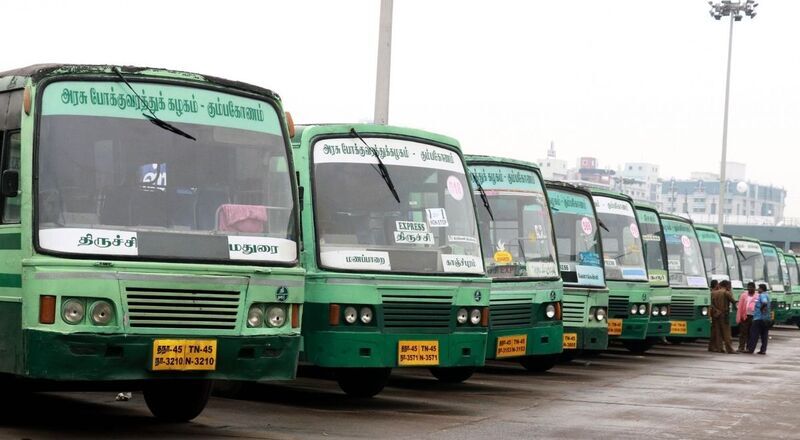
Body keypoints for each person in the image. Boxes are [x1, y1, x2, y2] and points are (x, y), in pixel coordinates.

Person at [709, 280, 737, 353]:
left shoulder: (713, 293)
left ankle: (719, 348)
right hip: (724, 314)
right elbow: (734, 302)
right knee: (726, 332)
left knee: (718, 332)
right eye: (730, 286)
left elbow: (711, 304)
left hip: (716, 314)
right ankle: (729, 349)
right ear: (727, 285)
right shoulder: (726, 293)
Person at [746, 284, 771, 354]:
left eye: (759, 288)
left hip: (759, 318)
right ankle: (763, 350)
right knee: (764, 335)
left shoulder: (762, 295)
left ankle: (750, 349)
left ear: (761, 289)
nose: (758, 290)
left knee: (754, 334)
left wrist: (761, 308)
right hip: (766, 319)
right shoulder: (768, 295)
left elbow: (764, 302)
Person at [736, 282, 757, 352]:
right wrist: (739, 316)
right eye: (748, 287)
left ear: (754, 288)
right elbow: (740, 307)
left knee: (751, 333)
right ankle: (741, 347)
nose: (749, 289)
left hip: (753, 317)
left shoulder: (757, 296)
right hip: (744, 316)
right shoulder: (743, 296)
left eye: (751, 287)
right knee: (743, 332)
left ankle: (749, 348)